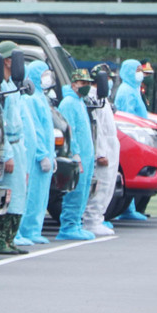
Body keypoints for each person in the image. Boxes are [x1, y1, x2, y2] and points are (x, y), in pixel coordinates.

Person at [0, 43, 28, 254]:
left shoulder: (12, 85)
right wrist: (7, 154)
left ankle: (10, 239)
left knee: (18, 195)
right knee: (5, 194)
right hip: (7, 145)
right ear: (7, 61)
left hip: (18, 146)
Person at [16, 61, 57, 246]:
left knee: (40, 195)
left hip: (45, 154)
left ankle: (33, 229)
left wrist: (51, 155)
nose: (47, 78)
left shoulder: (41, 98)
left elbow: (46, 130)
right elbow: (36, 130)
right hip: (35, 157)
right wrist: (42, 154)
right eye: (43, 74)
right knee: (31, 194)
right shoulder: (30, 99)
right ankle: (23, 229)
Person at [56, 68, 97, 241]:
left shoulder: (80, 102)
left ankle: (77, 224)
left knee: (83, 191)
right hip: (77, 156)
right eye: (82, 83)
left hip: (86, 155)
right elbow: (69, 130)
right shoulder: (68, 103)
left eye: (88, 83)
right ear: (73, 84)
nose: (86, 86)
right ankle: (69, 226)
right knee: (75, 191)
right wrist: (75, 153)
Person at [112, 59, 149, 221]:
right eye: (137, 70)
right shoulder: (127, 91)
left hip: (136, 136)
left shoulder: (133, 89)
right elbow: (128, 116)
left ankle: (129, 209)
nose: (140, 73)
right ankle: (126, 209)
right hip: (131, 136)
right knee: (129, 172)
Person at [84, 65, 119, 237]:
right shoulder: (93, 99)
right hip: (103, 148)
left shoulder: (102, 98)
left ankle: (98, 218)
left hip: (110, 146)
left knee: (108, 186)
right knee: (100, 186)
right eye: (108, 79)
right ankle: (92, 220)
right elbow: (96, 129)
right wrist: (101, 153)